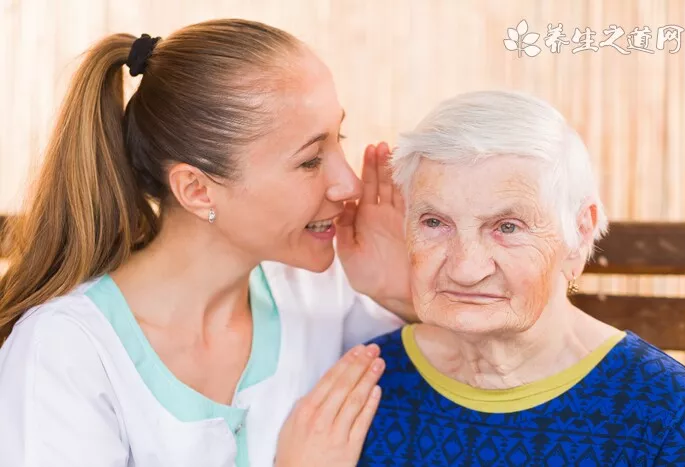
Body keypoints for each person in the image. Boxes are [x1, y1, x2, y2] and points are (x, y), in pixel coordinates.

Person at [0, 19, 415, 467]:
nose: (348, 184)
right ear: (197, 190)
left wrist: (400, 292)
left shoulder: (328, 293)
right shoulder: (66, 352)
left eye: (340, 139)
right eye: (311, 161)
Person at [358, 91, 685, 465]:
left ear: (580, 233)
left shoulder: (669, 412)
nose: (465, 269)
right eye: (435, 222)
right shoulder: (368, 377)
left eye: (507, 226)